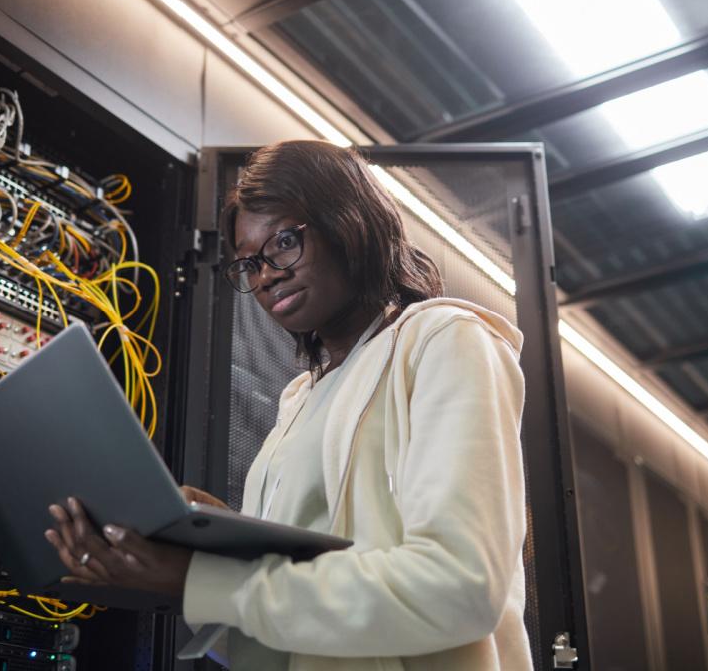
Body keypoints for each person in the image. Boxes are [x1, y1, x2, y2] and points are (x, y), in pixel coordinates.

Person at [45, 140, 532, 670]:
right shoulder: (299, 400)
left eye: (283, 242)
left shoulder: (446, 341)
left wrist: (202, 578)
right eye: (249, 264)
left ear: (351, 222)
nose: (266, 275)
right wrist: (205, 546)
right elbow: (273, 641)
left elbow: (460, 588)